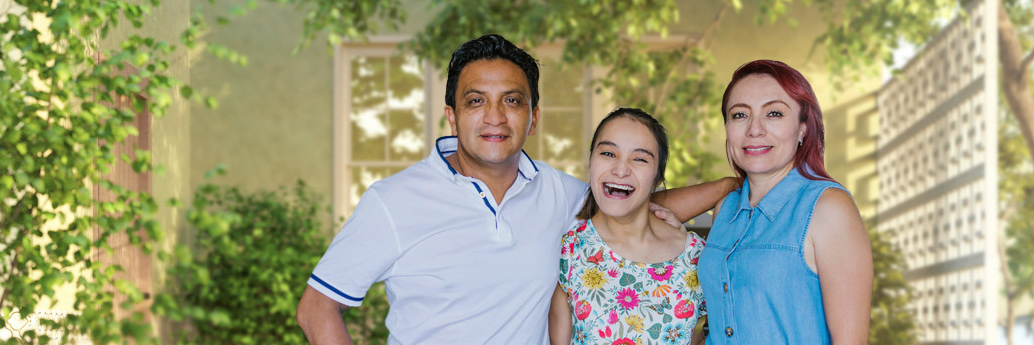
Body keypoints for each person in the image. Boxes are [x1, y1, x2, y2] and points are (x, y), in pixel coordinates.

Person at [295, 34, 737, 345]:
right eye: (476, 101)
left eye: (512, 100)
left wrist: (731, 186)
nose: (495, 116)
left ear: (533, 116)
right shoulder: (392, 202)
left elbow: (631, 202)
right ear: (451, 116)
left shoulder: (558, 193)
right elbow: (316, 309)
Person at [696, 60, 872, 344]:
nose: (755, 129)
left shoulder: (829, 208)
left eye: (774, 113)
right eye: (740, 115)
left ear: (803, 129)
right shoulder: (725, 210)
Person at [549, 108, 707, 345]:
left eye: (640, 158)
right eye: (608, 153)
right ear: (591, 162)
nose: (620, 169)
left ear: (658, 177)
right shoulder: (569, 250)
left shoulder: (696, 255)